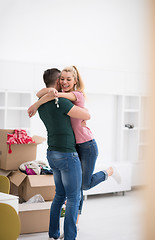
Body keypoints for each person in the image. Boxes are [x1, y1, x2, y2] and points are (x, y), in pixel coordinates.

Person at [28, 66, 122, 228]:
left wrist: (48, 96)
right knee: (76, 188)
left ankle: (109, 171)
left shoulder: (76, 95)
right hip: (73, 146)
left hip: (87, 145)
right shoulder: (62, 98)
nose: (64, 82)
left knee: (83, 185)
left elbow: (85, 113)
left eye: (68, 79)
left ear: (75, 81)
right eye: (62, 79)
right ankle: (75, 224)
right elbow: (41, 94)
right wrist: (37, 104)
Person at [28, 68, 91, 240]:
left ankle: (53, 233)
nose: (64, 83)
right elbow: (86, 114)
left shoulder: (41, 105)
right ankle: (70, 237)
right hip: (67, 154)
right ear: (57, 82)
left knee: (59, 196)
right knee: (73, 197)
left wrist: (37, 102)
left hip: (52, 154)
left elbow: (40, 95)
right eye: (62, 80)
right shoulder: (60, 102)